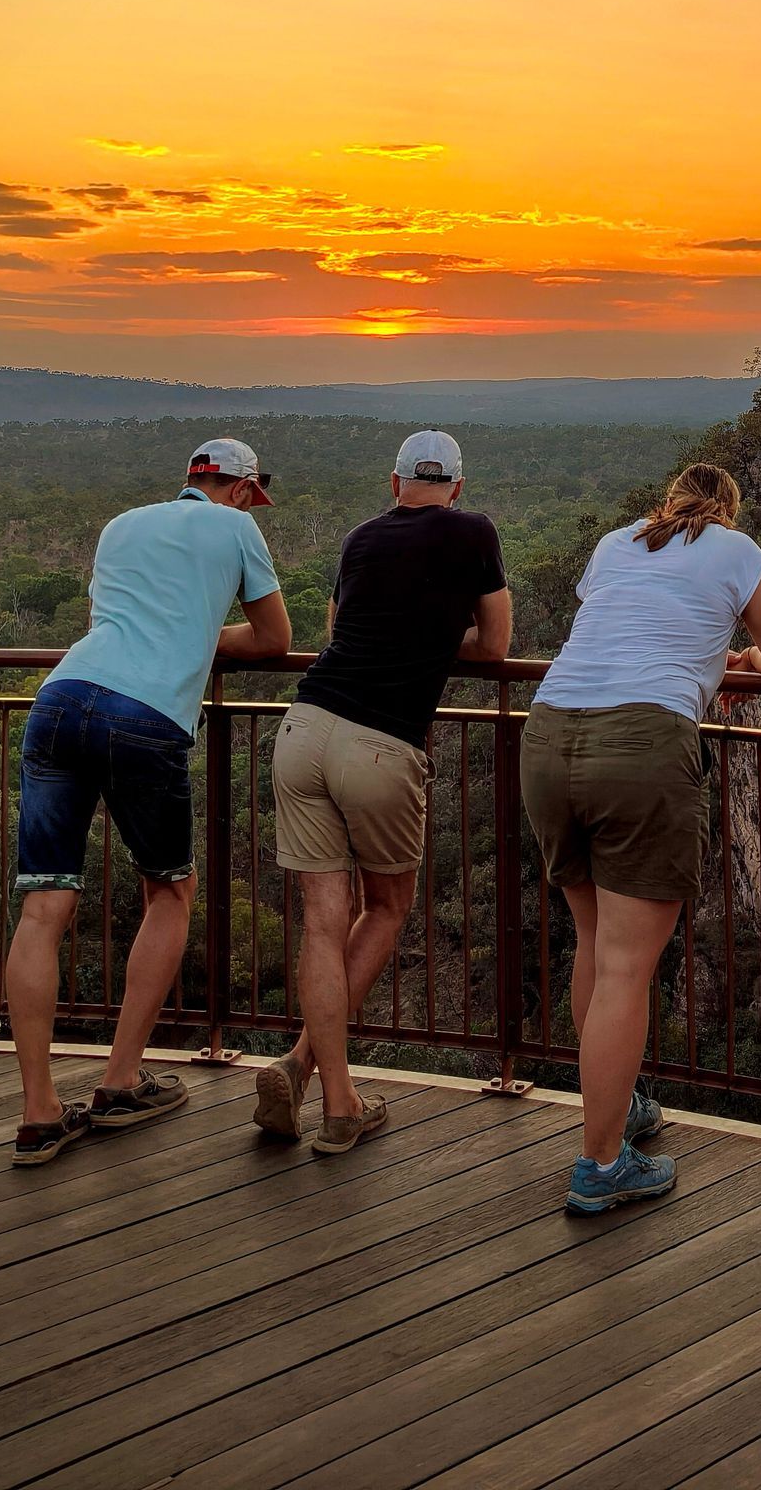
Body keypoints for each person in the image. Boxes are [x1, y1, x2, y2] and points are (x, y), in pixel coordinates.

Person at [521, 461, 761, 1214]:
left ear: (668, 503)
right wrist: (735, 658)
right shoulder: (736, 551)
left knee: (592, 942)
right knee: (625, 968)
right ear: (727, 510)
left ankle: (619, 1114)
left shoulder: (617, 544)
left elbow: (627, 625)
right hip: (643, 741)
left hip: (550, 731)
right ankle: (600, 1164)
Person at [6, 437, 291, 1166]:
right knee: (170, 890)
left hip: (61, 699)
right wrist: (198, 640)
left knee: (43, 906)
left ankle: (39, 1113)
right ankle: (120, 1079)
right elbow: (273, 638)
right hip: (144, 718)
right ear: (243, 490)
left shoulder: (122, 523)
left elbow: (119, 622)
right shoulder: (237, 528)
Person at [254, 429, 511, 1153]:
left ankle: (321, 1083)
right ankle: (324, 1088)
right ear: (456, 486)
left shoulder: (361, 537)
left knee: (323, 922)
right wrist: (433, 640)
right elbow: (494, 645)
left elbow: (337, 631)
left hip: (304, 726)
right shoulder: (475, 532)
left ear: (393, 482)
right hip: (381, 740)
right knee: (389, 906)